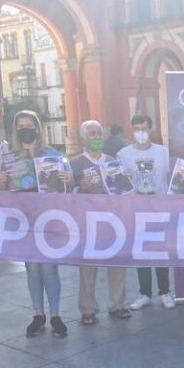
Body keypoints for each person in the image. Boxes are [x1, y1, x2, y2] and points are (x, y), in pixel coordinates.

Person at [0, 110, 67, 338]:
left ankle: (55, 315)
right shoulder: (10, 157)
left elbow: (65, 189)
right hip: (24, 219)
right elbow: (4, 193)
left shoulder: (51, 154)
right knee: (32, 269)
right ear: (15, 130)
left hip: (49, 218)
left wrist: (66, 179)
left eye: (29, 125)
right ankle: (38, 314)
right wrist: (2, 182)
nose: (25, 129)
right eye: (20, 126)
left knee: (49, 268)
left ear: (37, 127)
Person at [69, 120, 131, 324]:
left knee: (117, 263)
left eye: (98, 133)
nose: (96, 137)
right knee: (87, 267)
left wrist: (126, 180)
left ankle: (117, 304)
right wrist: (81, 188)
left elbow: (122, 192)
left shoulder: (112, 161)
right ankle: (88, 309)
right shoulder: (74, 164)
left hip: (113, 221)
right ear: (83, 139)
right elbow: (68, 196)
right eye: (91, 134)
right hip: (88, 223)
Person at [118, 114, 176, 310]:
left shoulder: (164, 152)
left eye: (144, 128)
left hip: (160, 207)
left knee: (161, 250)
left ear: (150, 129)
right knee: (140, 251)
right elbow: (118, 183)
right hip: (136, 209)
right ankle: (144, 294)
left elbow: (173, 178)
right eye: (136, 129)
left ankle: (165, 292)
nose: (140, 132)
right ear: (131, 130)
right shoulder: (123, 154)